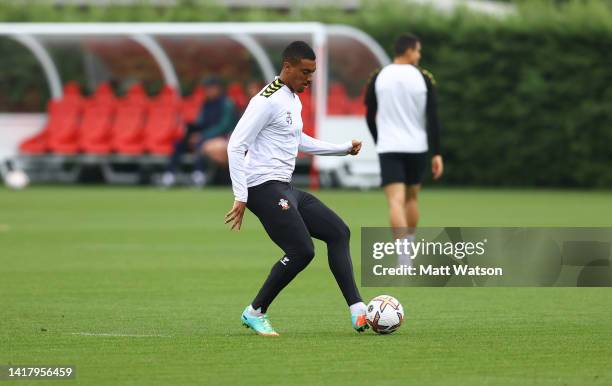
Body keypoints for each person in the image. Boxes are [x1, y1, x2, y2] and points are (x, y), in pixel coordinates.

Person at [225, 41, 367, 336]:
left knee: (339, 232)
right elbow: (236, 146)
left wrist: (341, 149)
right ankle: (255, 312)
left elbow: (298, 140)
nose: (309, 79)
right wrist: (241, 195)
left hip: (284, 187)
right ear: (287, 67)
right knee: (302, 250)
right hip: (262, 188)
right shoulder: (266, 100)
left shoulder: (293, 98)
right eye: (304, 72)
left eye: (312, 73)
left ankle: (358, 310)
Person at [364, 33, 444, 266]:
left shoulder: (378, 76)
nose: (419, 56)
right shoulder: (424, 77)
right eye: (418, 51)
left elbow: (369, 115)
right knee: (412, 199)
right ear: (409, 51)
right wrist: (437, 152)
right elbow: (433, 118)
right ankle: (409, 245)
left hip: (389, 147)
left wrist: (380, 138)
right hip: (417, 147)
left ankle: (402, 256)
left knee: (395, 202)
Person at [162, 77, 237, 187]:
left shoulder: (227, 104)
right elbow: (200, 122)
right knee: (179, 143)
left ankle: (199, 174)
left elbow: (224, 126)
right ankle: (170, 174)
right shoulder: (206, 103)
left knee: (199, 143)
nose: (208, 91)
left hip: (221, 137)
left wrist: (203, 135)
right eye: (207, 88)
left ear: (218, 88)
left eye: (211, 88)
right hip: (203, 135)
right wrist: (192, 131)